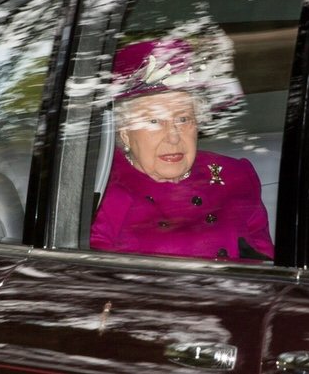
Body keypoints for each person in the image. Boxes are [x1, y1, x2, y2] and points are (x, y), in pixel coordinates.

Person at [90, 38, 274, 261]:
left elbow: (267, 264)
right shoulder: (102, 196)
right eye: (154, 121)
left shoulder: (234, 175)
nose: (174, 137)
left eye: (183, 118)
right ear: (124, 132)